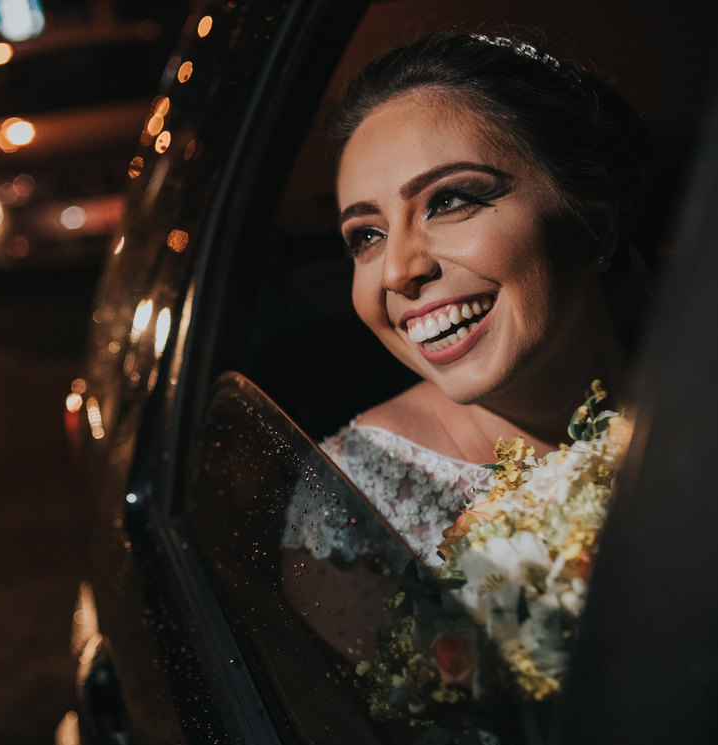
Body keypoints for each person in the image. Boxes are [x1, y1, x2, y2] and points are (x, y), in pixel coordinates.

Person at [282, 30, 659, 570]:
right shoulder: (349, 508)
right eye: (367, 235)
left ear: (594, 226)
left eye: (449, 201)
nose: (397, 271)